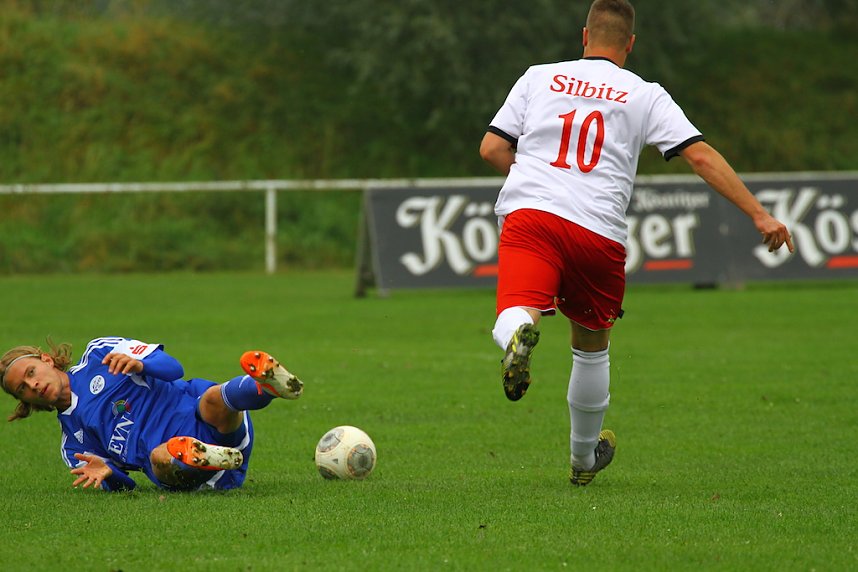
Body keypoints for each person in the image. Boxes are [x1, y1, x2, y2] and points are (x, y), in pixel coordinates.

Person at [479, 0, 794, 486]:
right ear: (629, 43)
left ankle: (518, 333)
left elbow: (493, 147)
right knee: (591, 345)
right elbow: (701, 157)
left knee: (518, 307)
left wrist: (537, 182)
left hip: (533, 214)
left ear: (584, 35)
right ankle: (583, 460)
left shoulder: (538, 76)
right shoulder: (645, 94)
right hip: (597, 230)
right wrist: (759, 214)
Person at [0, 336, 304, 491]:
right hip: (180, 468)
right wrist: (108, 474)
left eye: (31, 372)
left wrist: (143, 364)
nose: (33, 385)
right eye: (22, 389)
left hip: (200, 417)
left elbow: (175, 369)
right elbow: (126, 485)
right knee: (161, 456)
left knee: (213, 399)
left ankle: (269, 385)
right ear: (24, 401)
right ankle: (208, 456)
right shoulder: (73, 444)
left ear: (46, 360)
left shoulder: (100, 353)